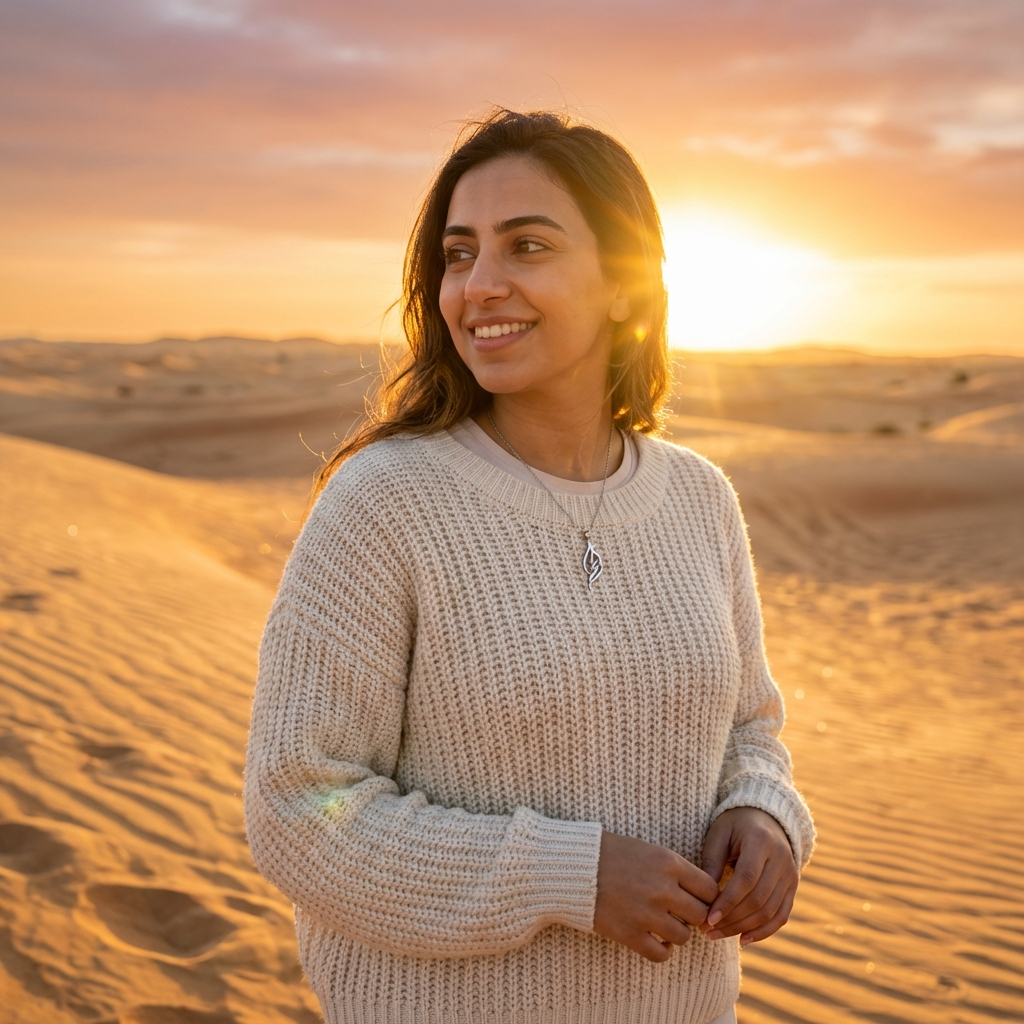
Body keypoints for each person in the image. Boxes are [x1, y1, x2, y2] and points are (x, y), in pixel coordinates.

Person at [244, 108, 814, 1024]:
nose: (480, 285)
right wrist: (570, 877)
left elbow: (749, 726)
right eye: (460, 253)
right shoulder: (384, 503)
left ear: (626, 285)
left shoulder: (699, 499)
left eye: (528, 246)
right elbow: (298, 811)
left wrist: (764, 814)